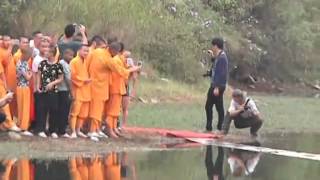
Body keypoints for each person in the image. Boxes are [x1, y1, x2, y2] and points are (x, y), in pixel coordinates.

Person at [35, 45, 64, 138]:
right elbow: (39, 75)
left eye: (48, 52)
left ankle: (53, 130)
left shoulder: (58, 65)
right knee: (42, 110)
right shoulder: (42, 63)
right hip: (43, 91)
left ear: (52, 53)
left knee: (53, 110)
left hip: (53, 91)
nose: (45, 53)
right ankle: (41, 129)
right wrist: (37, 85)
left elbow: (60, 79)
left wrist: (52, 83)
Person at [205, 37, 228, 132]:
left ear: (215, 46)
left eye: (212, 46)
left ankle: (212, 127)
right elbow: (215, 66)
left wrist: (217, 87)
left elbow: (222, 73)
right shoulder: (219, 56)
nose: (212, 48)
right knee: (217, 106)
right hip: (215, 85)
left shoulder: (222, 58)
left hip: (218, 86)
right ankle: (219, 126)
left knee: (210, 106)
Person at [69, 45, 92, 139]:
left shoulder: (86, 61)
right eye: (84, 51)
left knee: (84, 113)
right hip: (78, 89)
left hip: (86, 90)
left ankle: (78, 130)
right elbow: (72, 76)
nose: (86, 53)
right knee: (75, 112)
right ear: (79, 51)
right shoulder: (74, 61)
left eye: (87, 51)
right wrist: (83, 80)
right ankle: (73, 131)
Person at [0, 35, 21, 132]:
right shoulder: (2, 51)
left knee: (10, 102)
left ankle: (6, 123)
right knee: (4, 103)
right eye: (4, 40)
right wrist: (11, 47)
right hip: (3, 82)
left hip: (10, 81)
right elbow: (4, 60)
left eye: (9, 40)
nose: (7, 42)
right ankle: (9, 124)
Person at [16, 47, 33, 136]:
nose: (29, 57)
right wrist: (30, 73)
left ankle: (21, 125)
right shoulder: (20, 64)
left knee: (24, 107)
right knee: (23, 108)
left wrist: (29, 73)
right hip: (22, 87)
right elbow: (28, 77)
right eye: (28, 56)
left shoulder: (25, 63)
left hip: (25, 87)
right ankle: (23, 127)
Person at [57, 49, 74, 138]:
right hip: (63, 90)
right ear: (64, 54)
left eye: (72, 55)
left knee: (63, 110)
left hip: (62, 90)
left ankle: (61, 129)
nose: (71, 57)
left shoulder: (65, 64)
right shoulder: (63, 64)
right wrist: (72, 93)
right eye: (69, 55)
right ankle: (62, 130)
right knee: (63, 111)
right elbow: (68, 80)